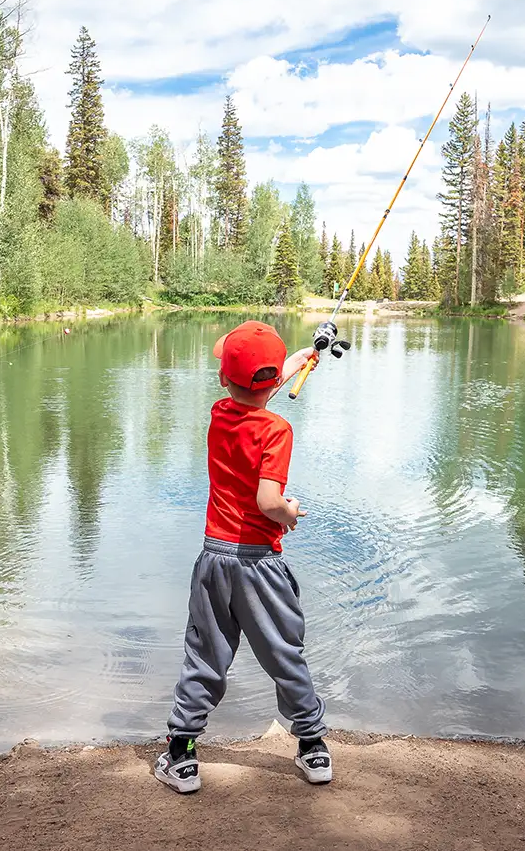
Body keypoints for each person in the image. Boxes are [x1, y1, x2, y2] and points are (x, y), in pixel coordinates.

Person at [154, 320, 331, 794]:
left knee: (205, 656)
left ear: (222, 379)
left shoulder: (218, 412)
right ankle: (312, 746)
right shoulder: (278, 430)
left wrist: (306, 353)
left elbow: (251, 383)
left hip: (215, 557)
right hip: (260, 563)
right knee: (283, 654)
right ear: (276, 384)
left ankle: (182, 756)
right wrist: (288, 514)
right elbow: (268, 502)